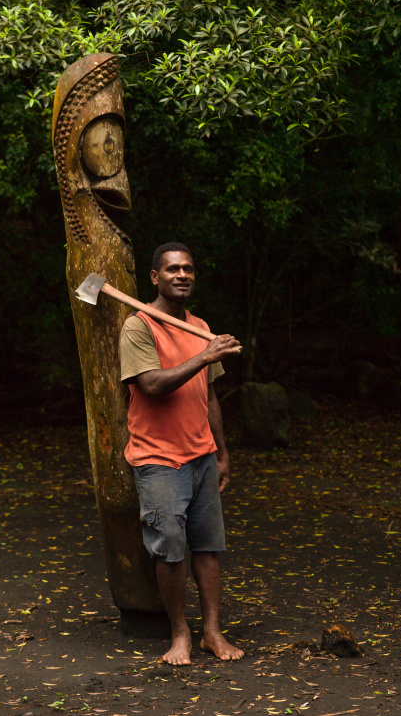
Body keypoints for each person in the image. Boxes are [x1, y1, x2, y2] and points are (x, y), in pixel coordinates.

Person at [119, 242, 244, 666]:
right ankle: (180, 634)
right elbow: (152, 385)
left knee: (208, 547)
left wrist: (222, 452)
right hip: (158, 459)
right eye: (172, 269)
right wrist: (205, 354)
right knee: (170, 547)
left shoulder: (201, 327)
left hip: (202, 457)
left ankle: (212, 631)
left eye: (188, 268)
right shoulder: (139, 327)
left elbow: (209, 395)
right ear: (155, 277)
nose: (182, 275)